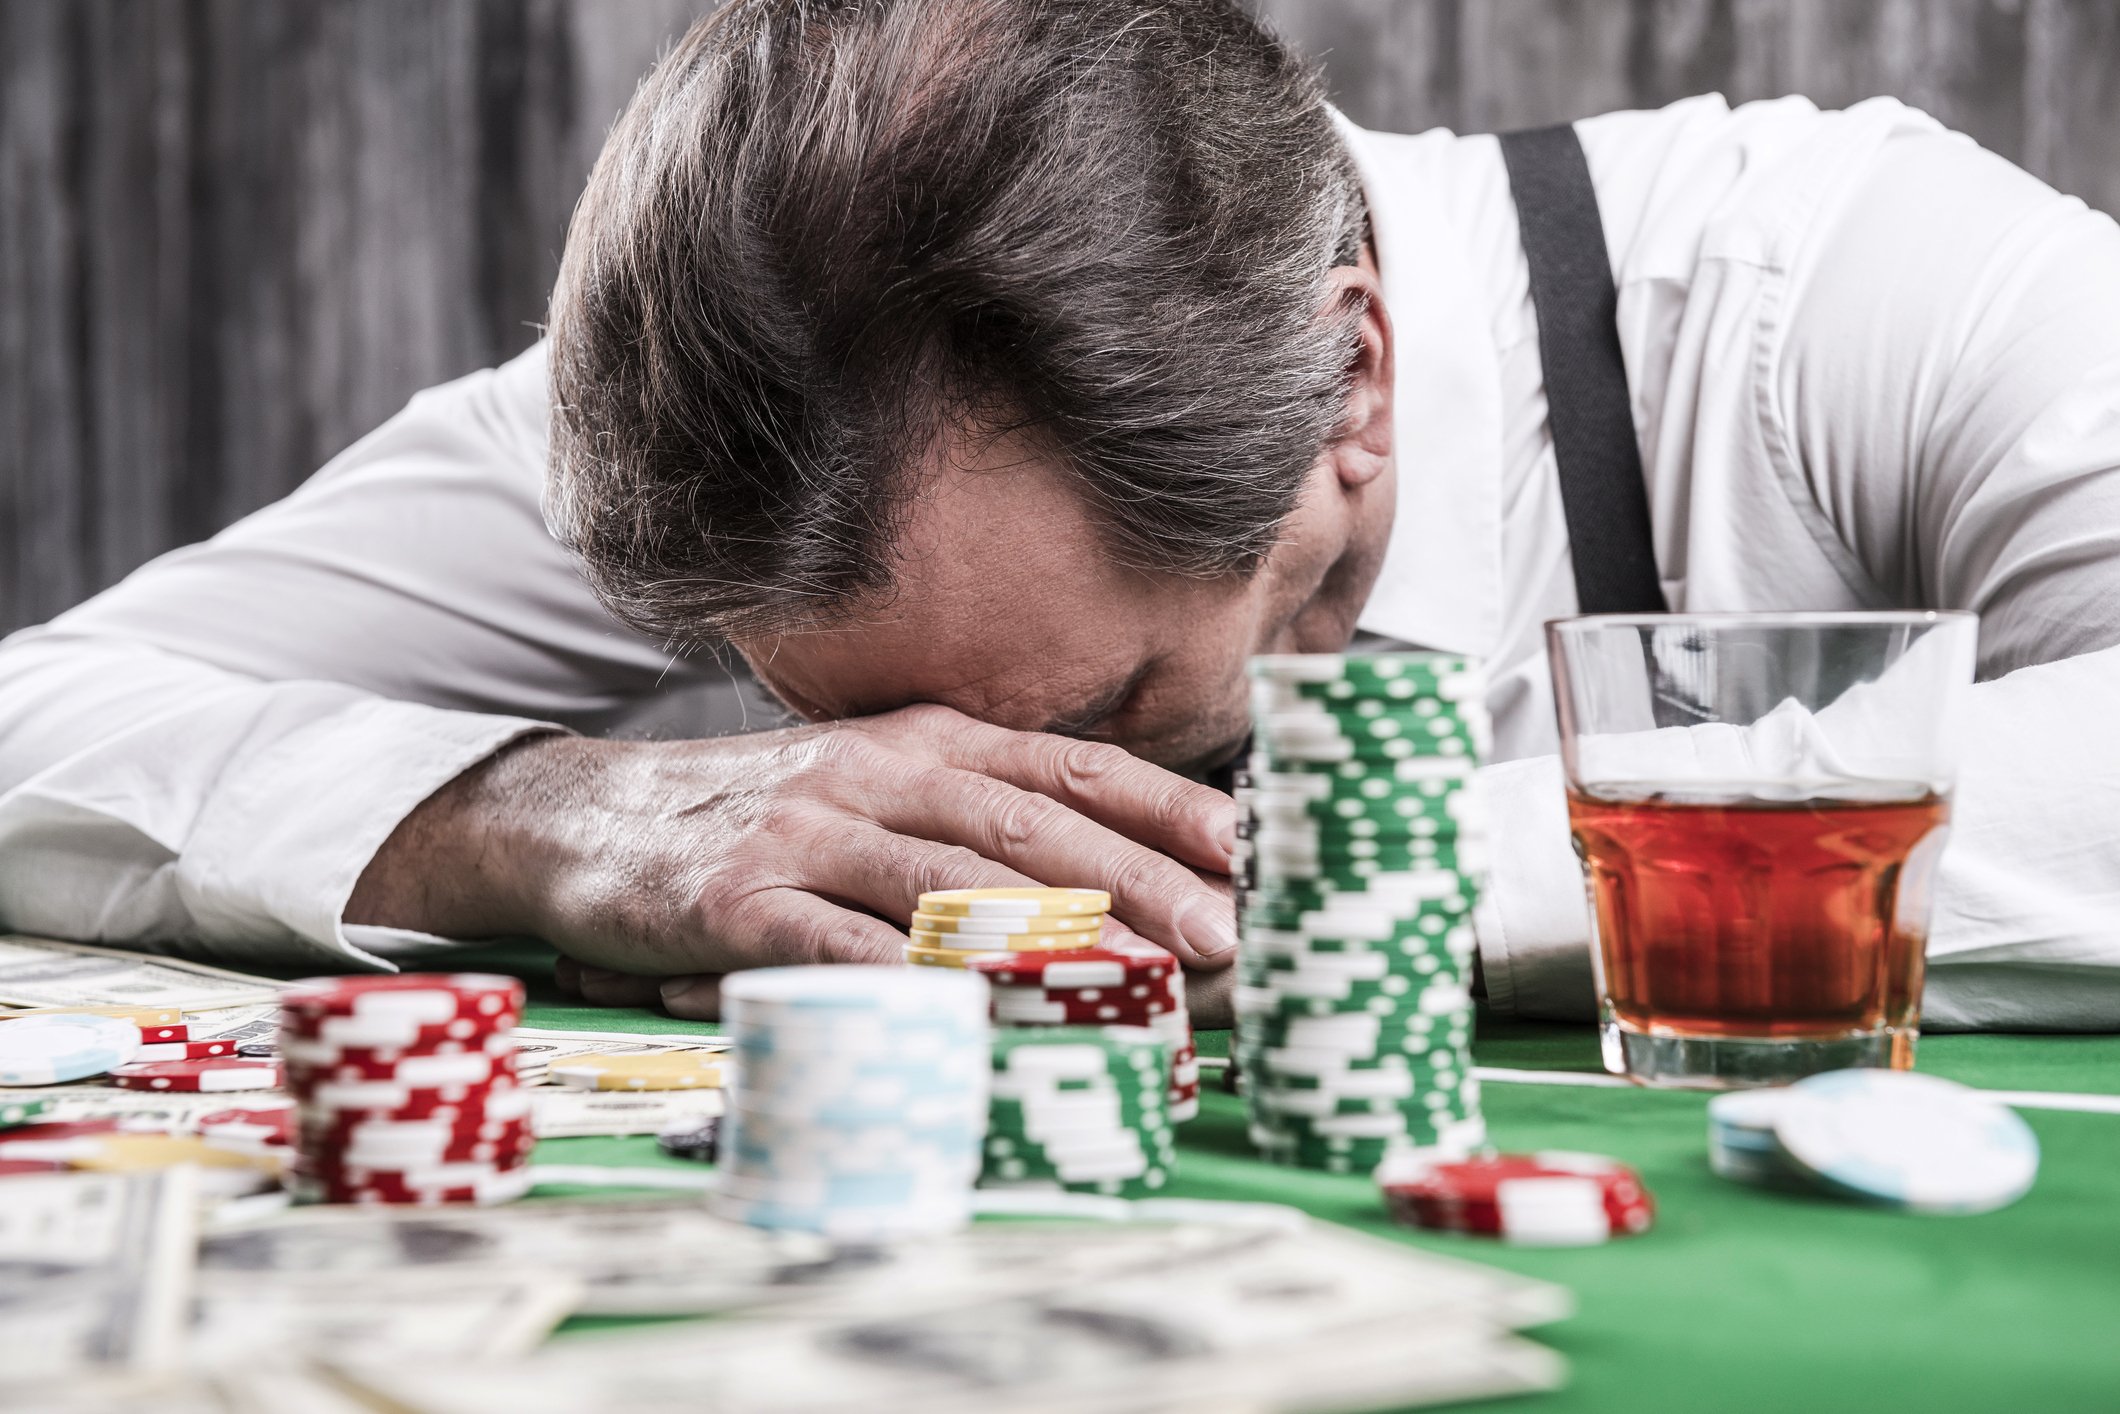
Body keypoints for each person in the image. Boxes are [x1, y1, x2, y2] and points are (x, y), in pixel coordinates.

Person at [4, 0, 2120, 1032]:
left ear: (1348, 380)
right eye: (853, 729)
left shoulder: (1843, 280)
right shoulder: (729, 406)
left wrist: (1329, 892)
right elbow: (42, 715)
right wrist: (549, 815)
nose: (990, 818)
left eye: (1099, 710)